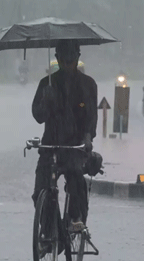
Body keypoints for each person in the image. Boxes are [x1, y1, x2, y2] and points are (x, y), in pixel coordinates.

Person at [31, 39, 98, 231]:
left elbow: (91, 118)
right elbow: (38, 116)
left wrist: (87, 138)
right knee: (41, 189)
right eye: (63, 60)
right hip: (50, 144)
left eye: (71, 60)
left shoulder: (88, 85)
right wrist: (46, 100)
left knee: (76, 178)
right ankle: (50, 228)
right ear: (57, 59)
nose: (67, 65)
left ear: (77, 58)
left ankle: (75, 218)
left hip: (75, 146)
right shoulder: (46, 83)